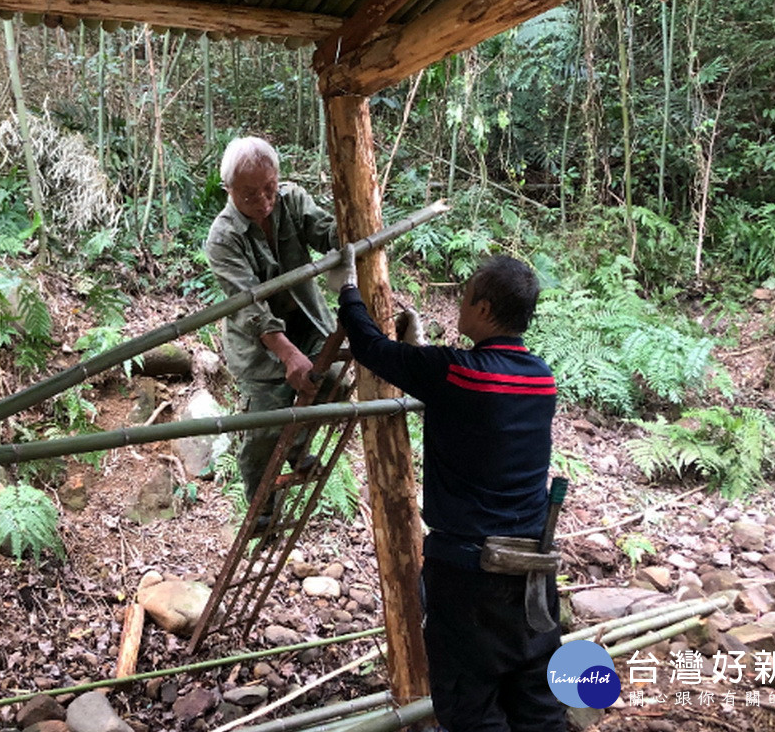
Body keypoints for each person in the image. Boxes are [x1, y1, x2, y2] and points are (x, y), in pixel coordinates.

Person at [330, 248, 566, 732]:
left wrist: (348, 290)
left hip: (468, 573)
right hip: (533, 571)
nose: (458, 307)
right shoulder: (542, 379)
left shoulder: (458, 373)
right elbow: (476, 410)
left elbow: (372, 349)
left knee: (470, 709)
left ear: (482, 309)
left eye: (464, 297)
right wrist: (422, 361)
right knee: (537, 703)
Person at [204, 137, 341, 529]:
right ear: (228, 190)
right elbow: (250, 307)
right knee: (265, 426)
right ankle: (262, 513)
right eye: (250, 194)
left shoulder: (292, 200)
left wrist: (352, 222)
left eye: (269, 188)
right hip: (257, 345)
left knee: (331, 382)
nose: (264, 200)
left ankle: (298, 448)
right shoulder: (223, 237)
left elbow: (326, 233)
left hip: (308, 322)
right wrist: (287, 354)